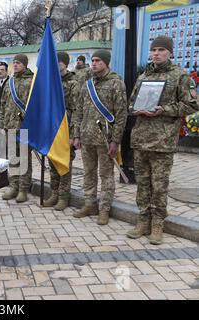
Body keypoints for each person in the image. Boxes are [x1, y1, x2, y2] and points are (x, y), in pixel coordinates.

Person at [126, 36, 199, 244]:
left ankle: (158, 223)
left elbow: (192, 105)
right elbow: (131, 103)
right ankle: (143, 220)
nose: (156, 53)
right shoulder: (143, 77)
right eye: (154, 50)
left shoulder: (180, 76)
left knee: (159, 186)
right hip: (141, 139)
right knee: (142, 184)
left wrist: (164, 110)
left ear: (170, 52)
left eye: (161, 50)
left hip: (162, 142)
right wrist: (135, 109)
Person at [72, 50, 128, 225]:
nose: (94, 63)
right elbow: (78, 110)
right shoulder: (86, 84)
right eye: (93, 60)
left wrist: (115, 140)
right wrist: (76, 134)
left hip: (105, 139)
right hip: (87, 137)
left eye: (98, 61)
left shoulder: (116, 83)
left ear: (106, 62)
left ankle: (104, 208)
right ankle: (89, 204)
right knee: (88, 173)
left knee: (106, 175)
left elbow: (121, 114)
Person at [43, 52, 81, 210]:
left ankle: (64, 197)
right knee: (52, 161)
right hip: (51, 128)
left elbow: (77, 110)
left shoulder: (73, 83)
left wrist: (74, 134)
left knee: (64, 162)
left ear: (65, 64)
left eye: (58, 62)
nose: (55, 65)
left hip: (65, 128)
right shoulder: (50, 82)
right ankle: (54, 193)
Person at [0, 54, 34, 203]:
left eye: (18, 63)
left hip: (25, 126)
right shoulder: (10, 82)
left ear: (25, 64)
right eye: (14, 63)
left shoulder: (32, 81)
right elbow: (3, 103)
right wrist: (2, 122)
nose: (15, 65)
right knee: (13, 158)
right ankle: (13, 185)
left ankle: (23, 189)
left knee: (24, 159)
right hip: (10, 126)